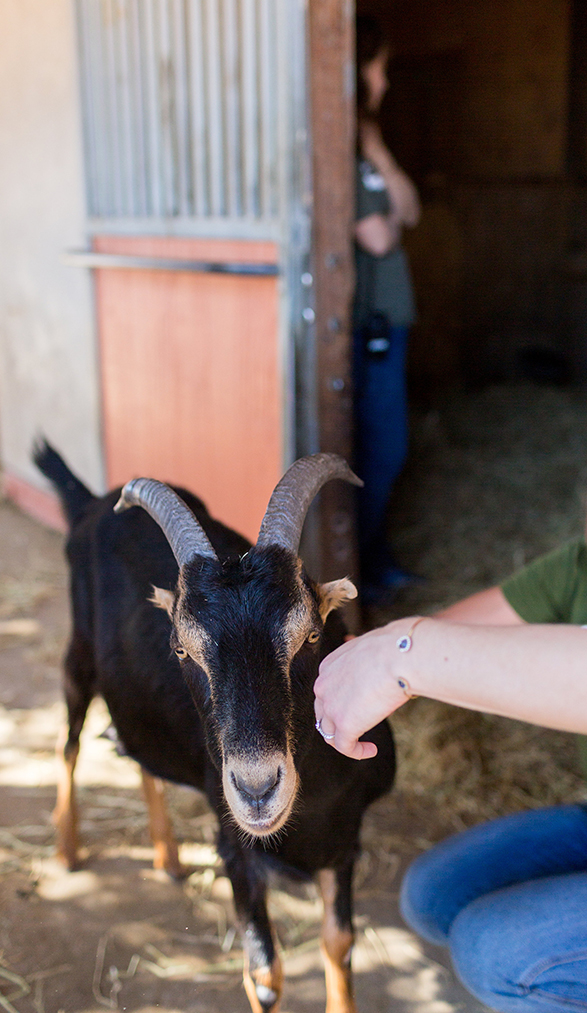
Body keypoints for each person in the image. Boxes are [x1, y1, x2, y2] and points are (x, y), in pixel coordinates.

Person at [314, 536, 587, 1013]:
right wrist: (362, 654)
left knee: (497, 953)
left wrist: (403, 657)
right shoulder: (581, 562)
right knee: (434, 893)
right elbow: (468, 627)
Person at [353, 15, 421, 596]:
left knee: (384, 447)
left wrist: (378, 151)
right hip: (363, 328)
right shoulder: (337, 155)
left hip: (389, 325)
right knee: (381, 446)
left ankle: (374, 560)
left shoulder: (368, 148)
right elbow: (378, 237)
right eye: (379, 69)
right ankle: (362, 567)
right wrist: (391, 219)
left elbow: (410, 210)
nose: (385, 81)